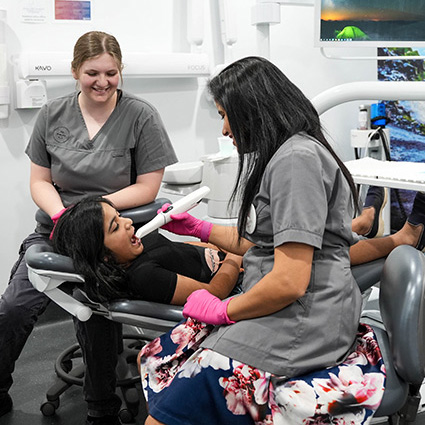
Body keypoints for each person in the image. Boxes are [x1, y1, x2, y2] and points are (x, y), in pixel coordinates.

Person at [136, 56, 413, 425]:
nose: (223, 130)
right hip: (291, 305)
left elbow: (290, 280)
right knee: (162, 352)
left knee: (196, 375)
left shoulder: (295, 160)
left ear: (251, 109)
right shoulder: (288, 155)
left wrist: (223, 311)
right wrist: (199, 229)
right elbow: (266, 246)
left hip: (303, 319)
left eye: (224, 114)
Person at [0, 31, 177, 425]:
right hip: (55, 231)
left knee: (96, 314)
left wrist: (94, 213)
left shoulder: (141, 115)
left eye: (111, 73)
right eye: (92, 73)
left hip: (113, 237)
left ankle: (102, 410)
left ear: (121, 71)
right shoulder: (52, 115)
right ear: (75, 71)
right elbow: (40, 182)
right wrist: (65, 217)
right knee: (13, 307)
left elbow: (148, 187)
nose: (102, 82)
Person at [51, 196, 242, 305]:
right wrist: (235, 255)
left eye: (120, 216)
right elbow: (215, 294)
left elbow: (183, 251)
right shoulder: (144, 276)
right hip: (233, 285)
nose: (128, 222)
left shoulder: (139, 243)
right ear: (104, 256)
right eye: (115, 226)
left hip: (230, 263)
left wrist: (221, 245)